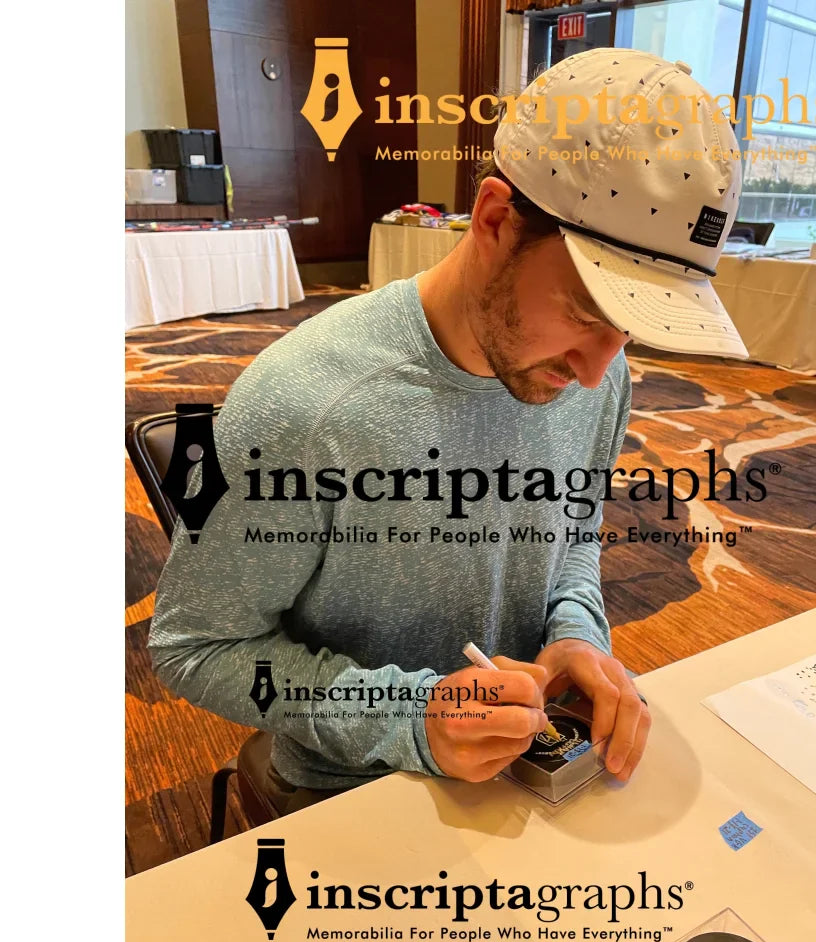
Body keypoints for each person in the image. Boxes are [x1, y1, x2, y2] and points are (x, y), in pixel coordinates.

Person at [148, 47, 746, 812]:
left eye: (631, 330)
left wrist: (576, 633)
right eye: (586, 312)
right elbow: (196, 646)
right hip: (354, 789)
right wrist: (411, 717)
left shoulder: (598, 377)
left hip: (531, 762)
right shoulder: (303, 404)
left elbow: (570, 540)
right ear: (494, 220)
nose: (599, 372)